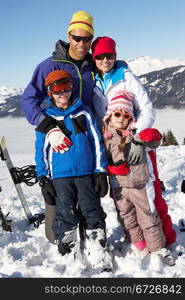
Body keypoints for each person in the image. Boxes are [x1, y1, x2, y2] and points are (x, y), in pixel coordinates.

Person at [91, 36, 177, 249]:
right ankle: (136, 238)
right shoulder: (93, 80)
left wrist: (137, 136)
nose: (105, 60)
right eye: (100, 56)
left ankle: (167, 238)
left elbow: (147, 108)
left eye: (109, 56)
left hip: (136, 142)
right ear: (94, 58)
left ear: (115, 56)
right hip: (110, 144)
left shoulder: (126, 76)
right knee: (122, 198)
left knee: (151, 194)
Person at [35, 70, 112, 270]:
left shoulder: (83, 112)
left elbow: (97, 143)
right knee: (65, 213)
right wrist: (43, 178)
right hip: (60, 177)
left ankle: (97, 247)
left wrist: (100, 170)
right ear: (50, 92)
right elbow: (40, 151)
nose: (63, 94)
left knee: (91, 210)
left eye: (67, 88)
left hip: (86, 173)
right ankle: (69, 250)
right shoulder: (47, 120)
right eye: (57, 90)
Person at [102, 89, 175, 266]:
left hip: (140, 185)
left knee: (148, 217)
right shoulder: (104, 137)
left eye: (125, 115)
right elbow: (100, 160)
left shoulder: (136, 134)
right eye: (117, 114)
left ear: (131, 118)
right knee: (127, 217)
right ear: (110, 117)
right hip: (118, 187)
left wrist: (149, 135)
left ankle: (157, 248)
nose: (121, 118)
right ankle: (139, 244)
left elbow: (155, 140)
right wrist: (111, 168)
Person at [21, 10, 95, 153]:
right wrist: (47, 126)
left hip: (89, 138)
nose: (82, 43)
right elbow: (29, 98)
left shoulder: (94, 66)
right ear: (69, 36)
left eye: (87, 39)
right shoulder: (49, 66)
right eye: (77, 38)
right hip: (60, 136)